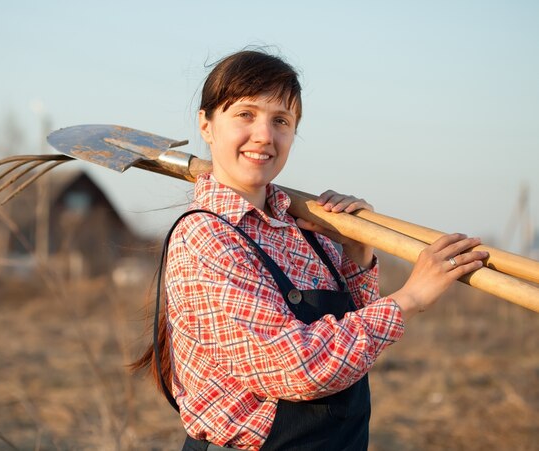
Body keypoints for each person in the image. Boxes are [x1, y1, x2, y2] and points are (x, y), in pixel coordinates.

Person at [132, 49, 488, 450]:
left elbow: (353, 346)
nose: (265, 135)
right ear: (207, 124)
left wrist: (358, 250)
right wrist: (410, 298)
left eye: (280, 121)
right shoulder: (205, 237)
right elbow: (296, 367)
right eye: (246, 114)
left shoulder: (305, 227)